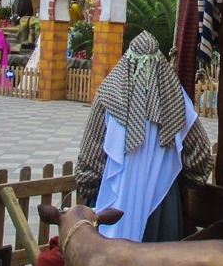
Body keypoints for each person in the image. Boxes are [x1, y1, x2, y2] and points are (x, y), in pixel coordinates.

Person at [74, 30, 212, 243]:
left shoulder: (109, 95)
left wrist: (91, 189)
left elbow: (90, 160)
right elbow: (200, 157)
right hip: (163, 203)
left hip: (113, 202)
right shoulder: (175, 99)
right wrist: (188, 182)